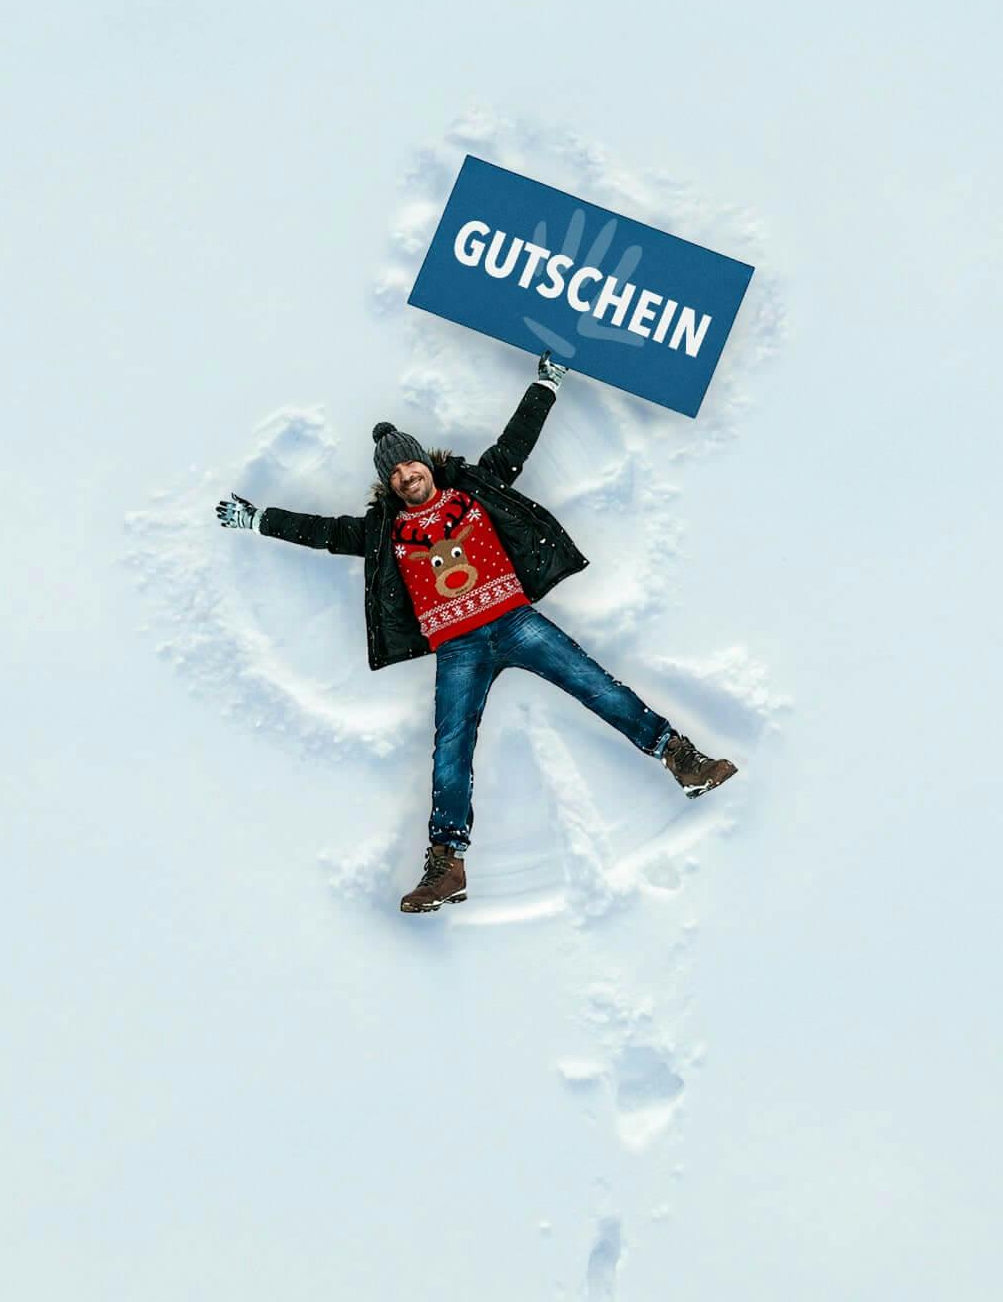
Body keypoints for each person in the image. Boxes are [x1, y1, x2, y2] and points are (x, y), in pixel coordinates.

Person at [218, 369, 735, 911]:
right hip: (457, 646)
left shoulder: (474, 488)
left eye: (409, 464)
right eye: (394, 473)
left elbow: (514, 444)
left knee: (596, 685)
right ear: (389, 485)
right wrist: (258, 520)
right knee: (452, 745)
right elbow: (322, 532)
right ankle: (447, 865)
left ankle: (682, 759)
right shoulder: (382, 532)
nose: (405, 475)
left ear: (425, 462)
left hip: (513, 618)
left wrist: (546, 386)